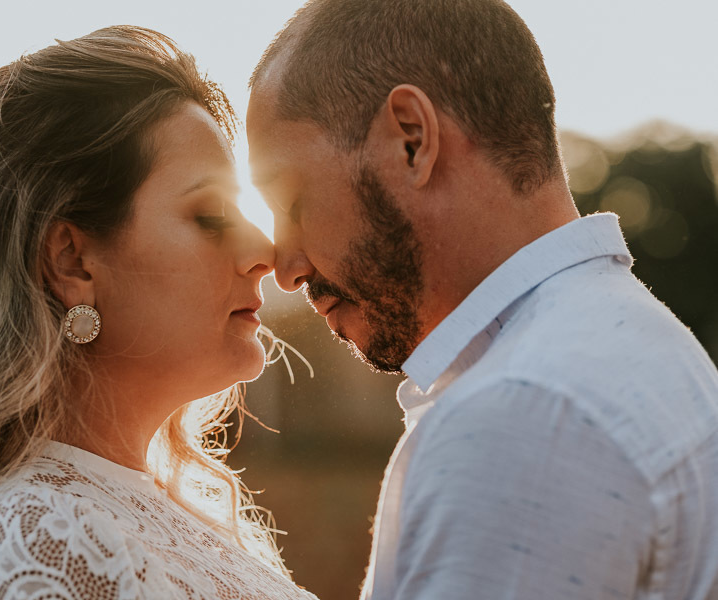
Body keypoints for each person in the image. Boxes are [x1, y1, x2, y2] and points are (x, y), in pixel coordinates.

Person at [246, 0, 718, 598]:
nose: (287, 268)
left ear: (411, 140)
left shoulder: (525, 416)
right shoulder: (630, 340)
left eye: (290, 199)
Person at [0, 26, 317, 600]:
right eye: (211, 214)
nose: (263, 251)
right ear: (72, 261)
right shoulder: (28, 547)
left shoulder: (176, 523)